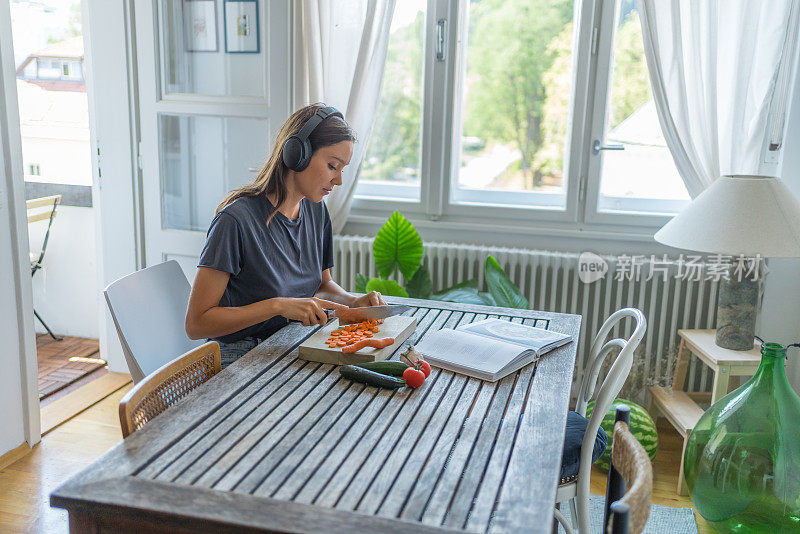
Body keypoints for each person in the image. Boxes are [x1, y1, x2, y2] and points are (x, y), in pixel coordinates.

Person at [185, 103, 385, 368]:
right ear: (297, 154)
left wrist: (352, 303)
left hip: (291, 343)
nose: (338, 181)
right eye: (332, 166)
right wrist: (277, 306)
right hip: (240, 357)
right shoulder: (234, 222)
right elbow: (197, 324)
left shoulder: (316, 211)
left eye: (342, 169)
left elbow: (322, 285)